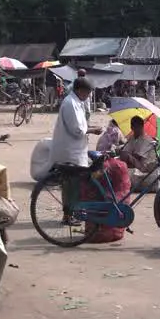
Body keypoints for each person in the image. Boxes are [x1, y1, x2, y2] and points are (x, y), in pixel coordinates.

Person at [51, 77, 102, 225]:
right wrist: (92, 130)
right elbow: (77, 130)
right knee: (72, 184)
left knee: (72, 184)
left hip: (75, 150)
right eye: (87, 92)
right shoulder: (70, 103)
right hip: (70, 151)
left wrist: (90, 128)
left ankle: (70, 214)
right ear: (80, 90)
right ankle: (69, 215)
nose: (88, 95)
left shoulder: (76, 102)